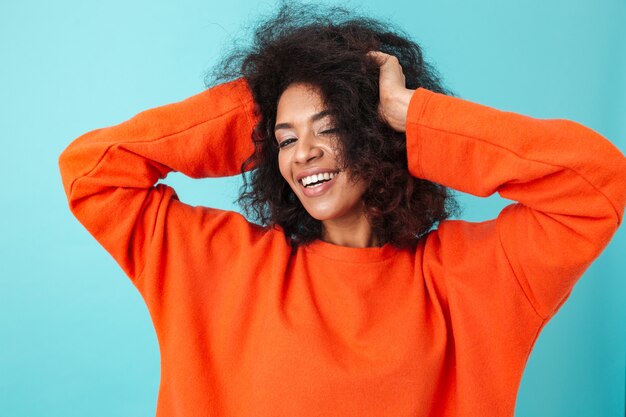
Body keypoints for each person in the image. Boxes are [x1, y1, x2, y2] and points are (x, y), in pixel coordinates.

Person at [58, 5, 626, 417]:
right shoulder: (215, 266)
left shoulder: (469, 280)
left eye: (328, 130)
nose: (303, 152)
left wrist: (413, 116)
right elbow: (93, 172)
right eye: (285, 140)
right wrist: (251, 110)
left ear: (377, 138)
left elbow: (593, 184)